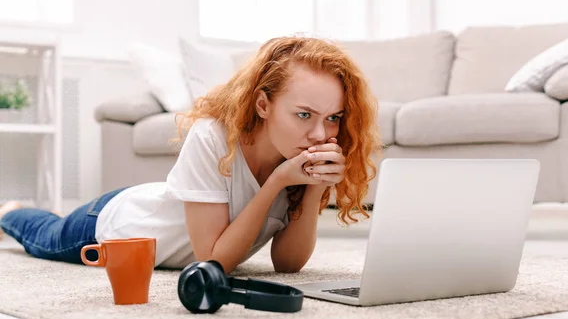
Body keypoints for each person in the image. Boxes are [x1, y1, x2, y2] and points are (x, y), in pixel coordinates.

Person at [0, 36, 381, 274]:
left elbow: (288, 265)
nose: (320, 134)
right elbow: (212, 261)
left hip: (158, 202)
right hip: (113, 225)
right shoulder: (214, 137)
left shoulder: (298, 153)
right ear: (263, 104)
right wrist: (278, 182)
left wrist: (313, 187)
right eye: (303, 115)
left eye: (333, 118)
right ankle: (9, 209)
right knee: (43, 234)